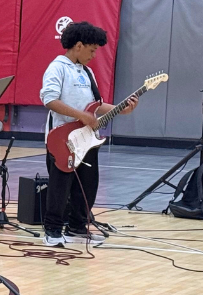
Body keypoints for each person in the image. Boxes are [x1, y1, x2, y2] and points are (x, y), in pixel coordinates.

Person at [41, 21, 136, 247]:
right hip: (62, 138)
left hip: (87, 140)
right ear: (79, 46)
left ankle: (77, 227)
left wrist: (121, 109)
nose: (94, 56)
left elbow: (95, 106)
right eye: (92, 50)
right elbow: (49, 100)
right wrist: (81, 116)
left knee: (88, 186)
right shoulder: (57, 68)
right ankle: (52, 231)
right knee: (60, 186)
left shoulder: (87, 72)